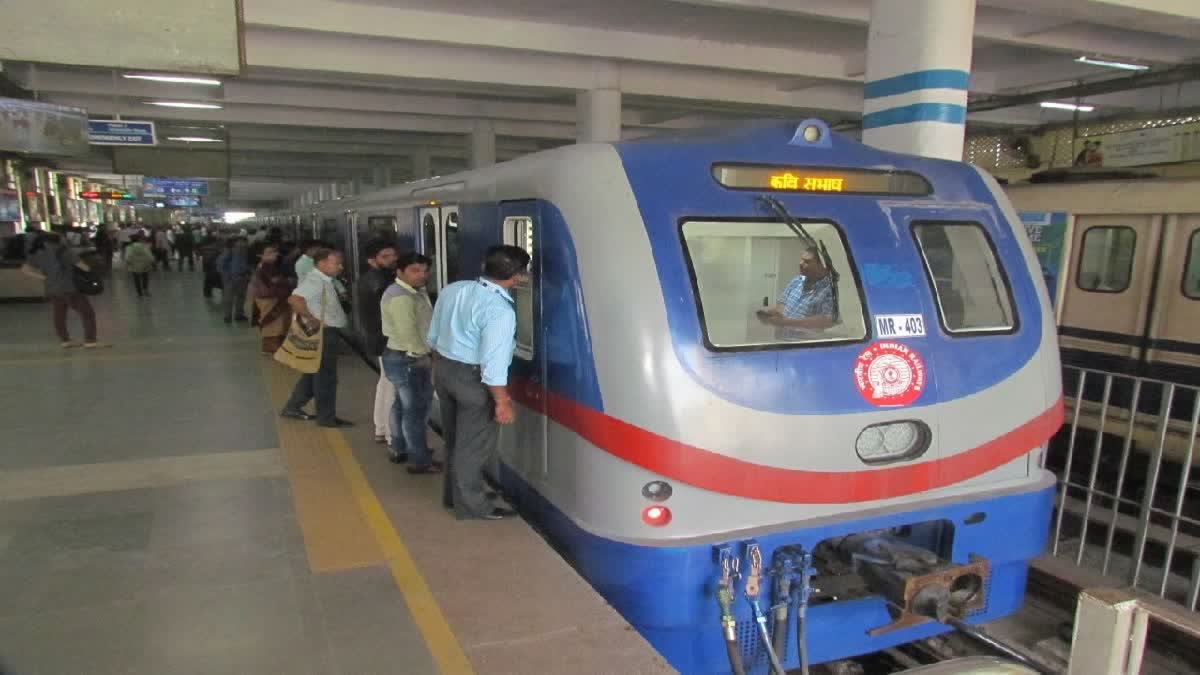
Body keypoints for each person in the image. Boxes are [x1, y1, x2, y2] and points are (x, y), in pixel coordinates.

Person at [427, 244, 530, 520]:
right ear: (517, 276)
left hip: (445, 371)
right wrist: (502, 401)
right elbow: (493, 365)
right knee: (472, 447)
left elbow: (433, 336)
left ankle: (455, 495)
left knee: (454, 439)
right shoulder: (499, 311)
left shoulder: (454, 289)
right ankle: (473, 506)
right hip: (474, 381)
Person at [380, 252, 440, 473]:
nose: (422, 275)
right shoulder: (402, 297)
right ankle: (419, 460)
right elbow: (408, 333)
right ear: (400, 272)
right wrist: (426, 355)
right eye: (415, 270)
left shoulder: (410, 292)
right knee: (415, 411)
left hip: (401, 357)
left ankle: (399, 447)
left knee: (402, 406)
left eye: (425, 271)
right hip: (410, 359)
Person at [280, 248, 352, 427]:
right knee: (326, 377)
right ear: (322, 264)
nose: (341, 267)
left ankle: (293, 406)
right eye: (337, 263)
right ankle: (326, 418)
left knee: (314, 372)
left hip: (328, 332)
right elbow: (294, 299)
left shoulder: (323, 279)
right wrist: (313, 319)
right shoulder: (315, 281)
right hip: (325, 334)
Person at [19, 232, 108, 349]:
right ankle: (90, 341)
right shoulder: (64, 251)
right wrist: (93, 273)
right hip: (69, 288)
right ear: (58, 240)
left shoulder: (37, 252)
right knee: (87, 313)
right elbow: (81, 265)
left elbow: (25, 269)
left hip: (51, 288)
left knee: (59, 315)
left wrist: (44, 277)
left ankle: (65, 341)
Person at [356, 241, 400, 447]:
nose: (392, 259)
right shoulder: (381, 283)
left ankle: (381, 428)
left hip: (378, 339)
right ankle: (392, 434)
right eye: (385, 256)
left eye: (393, 254)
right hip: (386, 340)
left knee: (385, 383)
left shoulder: (369, 279)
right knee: (391, 387)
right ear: (372, 260)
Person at [754, 246, 836, 338]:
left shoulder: (830, 290)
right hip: (781, 341)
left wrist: (786, 322)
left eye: (807, 261)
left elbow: (826, 321)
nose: (800, 263)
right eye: (801, 259)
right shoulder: (797, 281)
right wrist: (771, 316)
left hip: (803, 347)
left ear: (822, 266)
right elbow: (781, 306)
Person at [216, 238, 252, 323]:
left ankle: (239, 314)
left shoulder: (246, 253)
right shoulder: (229, 252)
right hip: (231, 278)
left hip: (242, 277)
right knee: (229, 298)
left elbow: (247, 264)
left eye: (244, 244)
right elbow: (220, 265)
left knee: (241, 296)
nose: (242, 246)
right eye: (240, 244)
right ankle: (227, 316)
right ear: (235, 245)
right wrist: (227, 276)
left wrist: (248, 273)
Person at [124, 234, 156, 298]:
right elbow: (149, 255)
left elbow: (127, 257)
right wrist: (153, 263)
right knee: (145, 277)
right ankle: (145, 290)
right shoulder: (144, 246)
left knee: (136, 279)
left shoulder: (129, 247)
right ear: (139, 240)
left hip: (134, 266)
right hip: (145, 265)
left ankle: (139, 293)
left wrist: (127, 265)